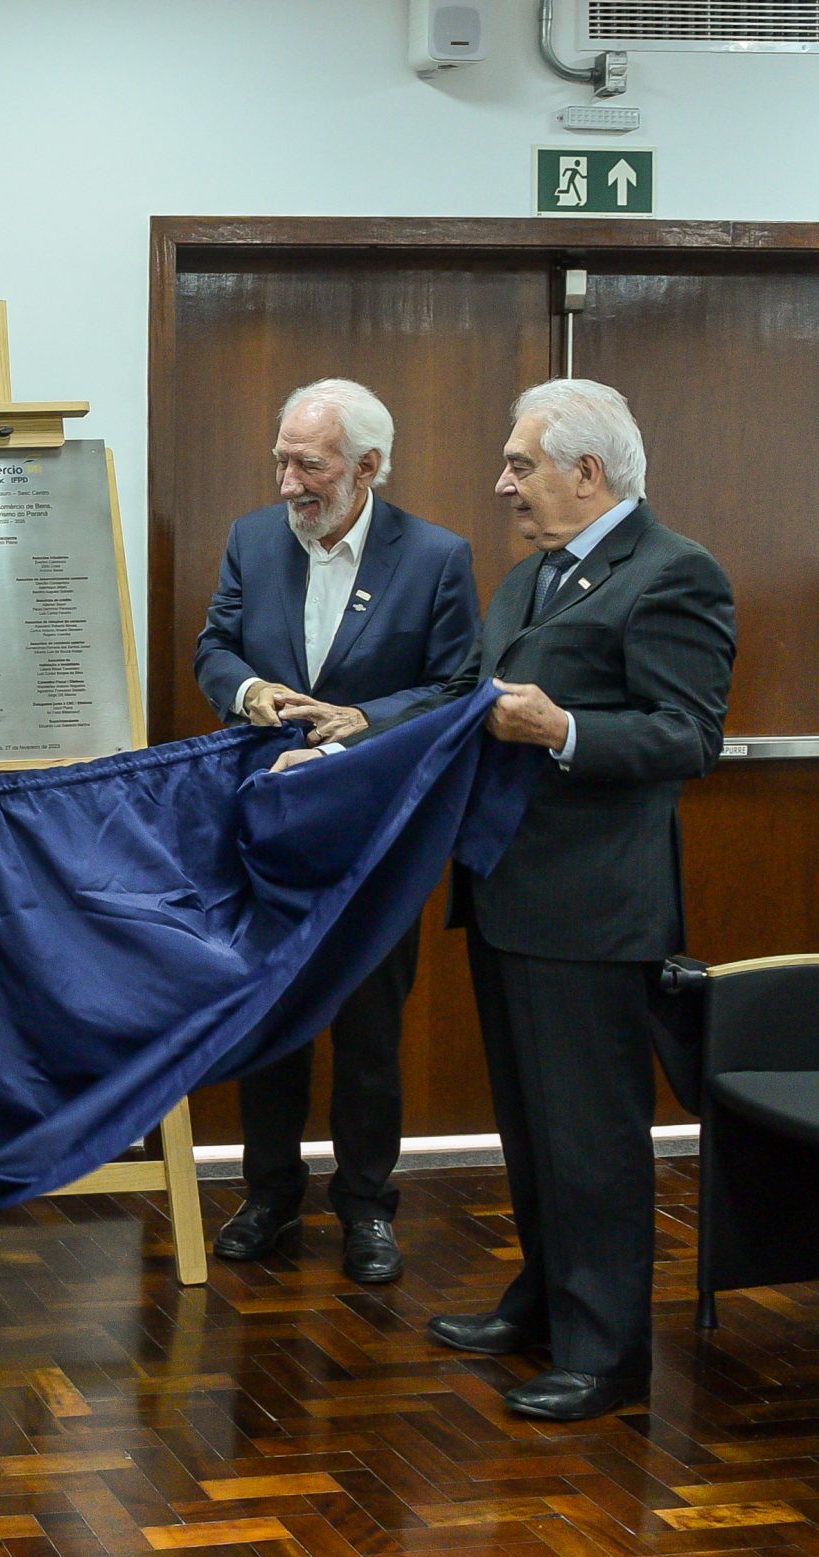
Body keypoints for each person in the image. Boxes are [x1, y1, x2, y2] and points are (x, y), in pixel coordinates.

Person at [277, 378, 733, 1421]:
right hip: (507, 895)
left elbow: (685, 736)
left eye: (519, 466)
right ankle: (541, 1305)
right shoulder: (534, 578)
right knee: (532, 1132)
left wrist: (562, 730)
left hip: (593, 915)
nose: (502, 485)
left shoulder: (674, 574)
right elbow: (459, 696)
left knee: (590, 1140)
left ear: (587, 471)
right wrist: (359, 725)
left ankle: (608, 1356)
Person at [194, 378, 480, 1283]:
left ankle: (367, 1207)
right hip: (272, 831)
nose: (287, 482)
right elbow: (215, 645)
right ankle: (269, 1195)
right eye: (280, 459)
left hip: (376, 835)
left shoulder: (436, 557)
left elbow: (456, 683)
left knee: (368, 1028)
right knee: (270, 1016)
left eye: (307, 463)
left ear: (366, 467)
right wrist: (249, 691)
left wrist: (364, 718)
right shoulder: (251, 539)